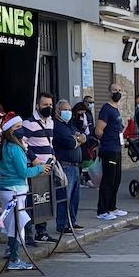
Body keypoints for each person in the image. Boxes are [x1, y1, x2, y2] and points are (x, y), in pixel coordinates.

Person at [0, 116, 43, 270]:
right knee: (17, 225)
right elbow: (23, 172)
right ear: (10, 130)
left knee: (13, 224)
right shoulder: (15, 148)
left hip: (7, 189)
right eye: (17, 126)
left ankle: (12, 252)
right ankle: (14, 259)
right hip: (15, 190)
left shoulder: (5, 146)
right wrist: (40, 168)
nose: (21, 129)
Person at [21, 92, 57, 244]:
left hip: (47, 167)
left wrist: (53, 155)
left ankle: (42, 232)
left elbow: (50, 143)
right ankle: (29, 234)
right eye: (45, 105)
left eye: (50, 105)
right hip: (34, 168)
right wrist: (34, 159)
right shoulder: (29, 123)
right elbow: (22, 143)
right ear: (37, 106)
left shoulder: (51, 122)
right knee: (31, 201)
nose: (48, 107)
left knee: (44, 200)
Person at [52, 98, 84, 234]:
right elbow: (70, 143)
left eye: (69, 110)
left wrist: (77, 138)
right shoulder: (58, 126)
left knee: (74, 198)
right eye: (65, 110)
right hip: (65, 166)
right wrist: (77, 139)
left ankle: (72, 222)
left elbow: (83, 136)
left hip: (75, 166)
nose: (68, 112)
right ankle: (62, 224)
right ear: (58, 111)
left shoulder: (69, 125)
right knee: (65, 196)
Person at [95, 87, 125, 219]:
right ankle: (102, 210)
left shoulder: (115, 109)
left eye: (119, 90)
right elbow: (98, 131)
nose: (117, 92)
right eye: (114, 90)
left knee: (116, 179)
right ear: (109, 92)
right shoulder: (106, 109)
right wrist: (106, 141)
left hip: (117, 148)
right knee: (108, 180)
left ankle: (112, 207)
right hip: (109, 149)